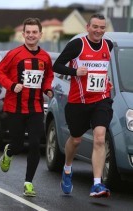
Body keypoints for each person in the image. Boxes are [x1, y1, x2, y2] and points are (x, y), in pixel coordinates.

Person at [53, 13, 113, 198]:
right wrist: (75, 71)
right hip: (78, 101)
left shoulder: (108, 45)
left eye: (102, 27)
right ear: (88, 27)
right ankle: (68, 168)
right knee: (76, 139)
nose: (98, 31)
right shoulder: (77, 45)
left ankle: (97, 184)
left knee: (100, 137)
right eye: (95, 27)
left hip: (101, 99)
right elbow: (57, 66)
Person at [0, 18, 54, 197]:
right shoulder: (14, 54)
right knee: (18, 144)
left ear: (40, 35)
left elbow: (48, 76)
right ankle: (9, 152)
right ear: (23, 34)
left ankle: (28, 182)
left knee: (35, 144)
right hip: (15, 107)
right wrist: (11, 85)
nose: (31, 35)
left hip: (35, 107)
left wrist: (48, 88)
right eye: (28, 32)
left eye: (34, 32)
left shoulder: (45, 57)